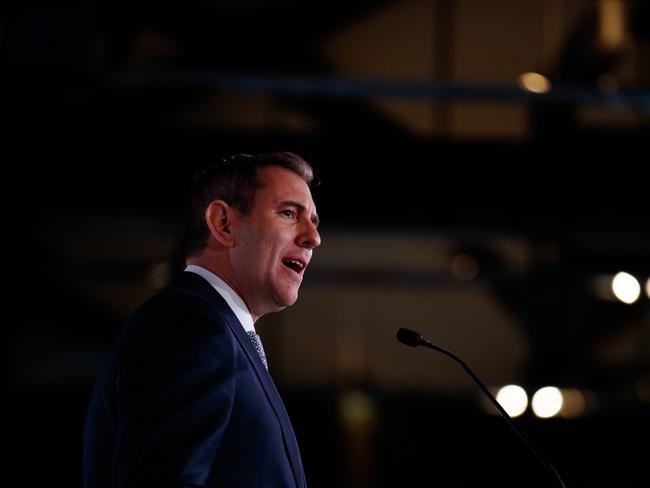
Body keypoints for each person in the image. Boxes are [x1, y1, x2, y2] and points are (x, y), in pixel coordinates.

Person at [83, 152, 321, 488]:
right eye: (289, 213)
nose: (314, 237)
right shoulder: (189, 325)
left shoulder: (218, 329)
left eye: (314, 221)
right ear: (224, 223)